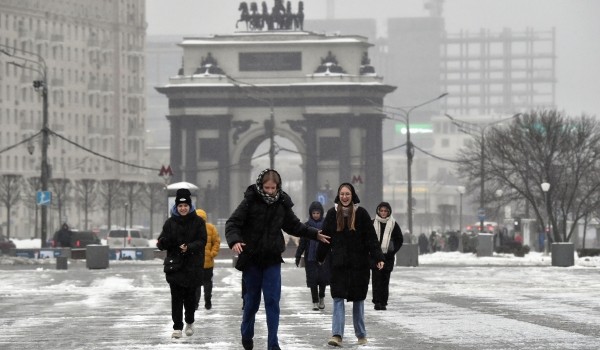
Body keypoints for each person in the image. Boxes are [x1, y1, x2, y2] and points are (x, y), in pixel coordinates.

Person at [226, 168, 330, 350]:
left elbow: (295, 226)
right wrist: (235, 240)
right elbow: (232, 223)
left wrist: (315, 234)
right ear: (260, 185)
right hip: (252, 259)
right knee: (251, 302)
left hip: (272, 259)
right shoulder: (250, 201)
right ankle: (246, 333)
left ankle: (273, 344)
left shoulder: (282, 203)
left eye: (273, 188)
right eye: (267, 188)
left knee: (273, 301)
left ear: (278, 187)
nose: (270, 191)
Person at [317, 183, 385, 347]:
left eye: (347, 194)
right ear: (338, 196)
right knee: (338, 298)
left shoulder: (361, 214)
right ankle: (337, 335)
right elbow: (325, 237)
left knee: (358, 300)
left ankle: (361, 335)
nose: (345, 197)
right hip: (339, 265)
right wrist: (320, 256)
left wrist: (378, 257)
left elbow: (371, 239)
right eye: (342, 194)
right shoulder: (332, 214)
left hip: (359, 265)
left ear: (352, 195)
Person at [156, 188, 207, 339]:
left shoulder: (198, 222)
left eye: (185, 206)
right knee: (176, 298)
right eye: (180, 206)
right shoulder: (170, 223)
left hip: (192, 266)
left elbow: (202, 241)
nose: (183, 208)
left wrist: (189, 247)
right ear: (176, 207)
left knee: (190, 298)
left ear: (190, 206)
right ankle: (177, 327)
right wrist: (168, 242)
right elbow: (161, 242)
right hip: (175, 266)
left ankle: (189, 322)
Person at [295, 201, 331, 311]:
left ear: (321, 213)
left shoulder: (326, 225)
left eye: (318, 213)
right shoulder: (306, 226)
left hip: (324, 257)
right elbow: (302, 242)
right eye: (314, 213)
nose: (316, 215)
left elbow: (330, 241)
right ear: (311, 213)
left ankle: (321, 298)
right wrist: (298, 255)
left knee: (323, 280)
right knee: (313, 280)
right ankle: (314, 301)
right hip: (310, 258)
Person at [371, 202, 403, 311]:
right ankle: (377, 302)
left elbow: (399, 239)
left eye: (385, 211)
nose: (383, 213)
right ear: (378, 211)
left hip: (388, 257)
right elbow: (367, 238)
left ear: (388, 212)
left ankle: (383, 302)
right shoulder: (372, 223)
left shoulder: (393, 224)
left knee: (385, 280)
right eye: (381, 211)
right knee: (376, 280)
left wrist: (393, 250)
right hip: (375, 257)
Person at [195, 208, 220, 311]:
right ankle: (205, 302)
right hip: (199, 263)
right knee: (205, 283)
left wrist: (211, 254)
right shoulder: (210, 228)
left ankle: (201, 302)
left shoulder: (209, 228)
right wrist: (212, 254)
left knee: (200, 284)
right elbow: (217, 242)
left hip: (202, 262)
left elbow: (216, 242)